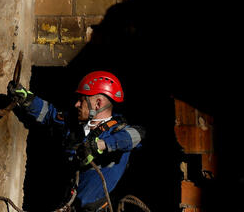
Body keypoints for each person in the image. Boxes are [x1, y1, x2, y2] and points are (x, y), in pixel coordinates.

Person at [8, 71, 144, 211]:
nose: (76, 104)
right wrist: (27, 99)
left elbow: (136, 135)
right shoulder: (75, 125)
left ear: (98, 104)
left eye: (82, 100)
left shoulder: (117, 132)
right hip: (67, 205)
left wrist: (99, 145)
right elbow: (49, 114)